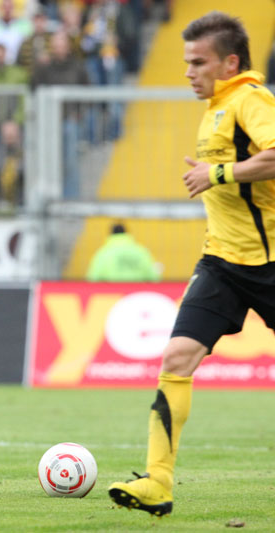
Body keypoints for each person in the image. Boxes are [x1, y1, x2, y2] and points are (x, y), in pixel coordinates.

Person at [108, 12, 275, 516]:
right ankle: (157, 483)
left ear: (230, 63)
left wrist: (217, 173)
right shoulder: (215, 107)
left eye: (198, 62)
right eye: (185, 62)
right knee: (177, 358)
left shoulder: (250, 100)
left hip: (270, 260)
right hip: (222, 262)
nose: (188, 72)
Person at [86, 223, 160, 282]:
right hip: (137, 293)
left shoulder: (103, 253)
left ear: (110, 234)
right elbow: (153, 276)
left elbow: (93, 277)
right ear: (126, 233)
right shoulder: (141, 251)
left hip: (113, 293)